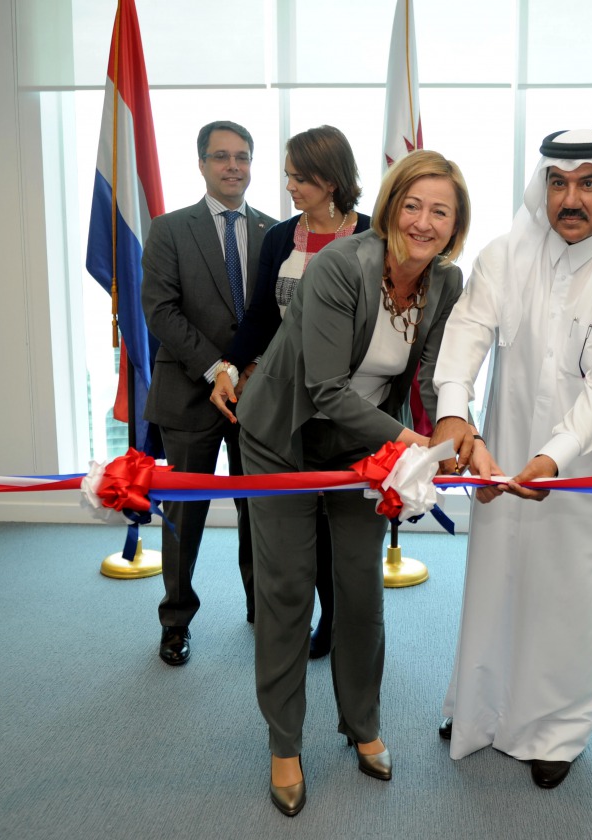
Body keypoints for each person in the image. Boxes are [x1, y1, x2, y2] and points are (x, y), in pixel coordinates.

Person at [235, 150, 470, 816]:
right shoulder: (342, 265)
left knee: (361, 590)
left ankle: (361, 724)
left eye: (440, 211)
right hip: (282, 436)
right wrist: (415, 443)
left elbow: (426, 381)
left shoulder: (446, 285)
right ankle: (285, 742)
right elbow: (327, 390)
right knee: (286, 591)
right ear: (392, 204)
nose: (423, 222)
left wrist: (455, 431)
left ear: (456, 225)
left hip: (361, 446)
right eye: (412, 204)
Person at [430, 128, 592, 790]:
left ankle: (558, 731)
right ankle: (478, 709)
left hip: (579, 472)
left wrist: (553, 459)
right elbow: (469, 332)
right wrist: (453, 411)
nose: (571, 198)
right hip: (499, 457)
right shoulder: (506, 255)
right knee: (496, 584)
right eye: (558, 182)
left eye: (589, 183)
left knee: (566, 598)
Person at [209, 125, 371, 660]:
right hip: (286, 404)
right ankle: (297, 617)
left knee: (338, 525)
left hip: (349, 404)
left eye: (298, 178)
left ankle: (336, 618)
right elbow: (259, 315)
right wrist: (230, 365)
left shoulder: (373, 235)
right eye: (287, 177)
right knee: (293, 520)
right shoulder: (281, 237)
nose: (290, 187)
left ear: (330, 180)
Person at [142, 120, 278, 666]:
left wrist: (248, 370)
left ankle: (261, 607)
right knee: (184, 516)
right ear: (201, 164)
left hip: (256, 396)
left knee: (261, 512)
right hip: (189, 393)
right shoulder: (169, 229)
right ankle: (176, 620)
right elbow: (160, 311)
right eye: (221, 156)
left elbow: (276, 315)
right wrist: (217, 367)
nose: (233, 167)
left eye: (242, 157)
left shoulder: (275, 231)